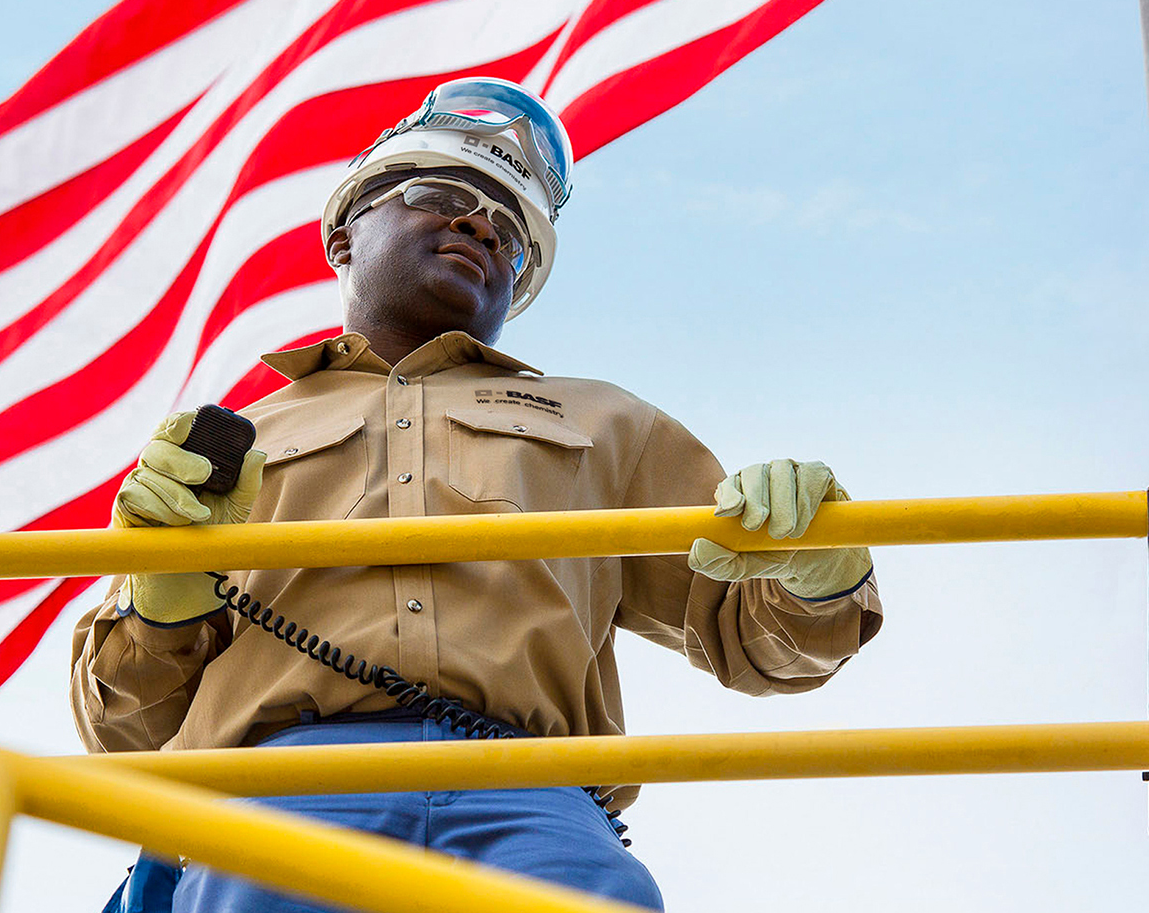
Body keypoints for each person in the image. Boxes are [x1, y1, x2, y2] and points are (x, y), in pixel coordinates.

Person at [71, 77, 883, 913]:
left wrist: (815, 578)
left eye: (509, 235)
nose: (478, 227)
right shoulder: (226, 443)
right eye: (440, 196)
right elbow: (126, 731)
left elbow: (762, 645)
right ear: (346, 235)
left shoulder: (609, 422)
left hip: (536, 801)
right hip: (282, 790)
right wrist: (161, 604)